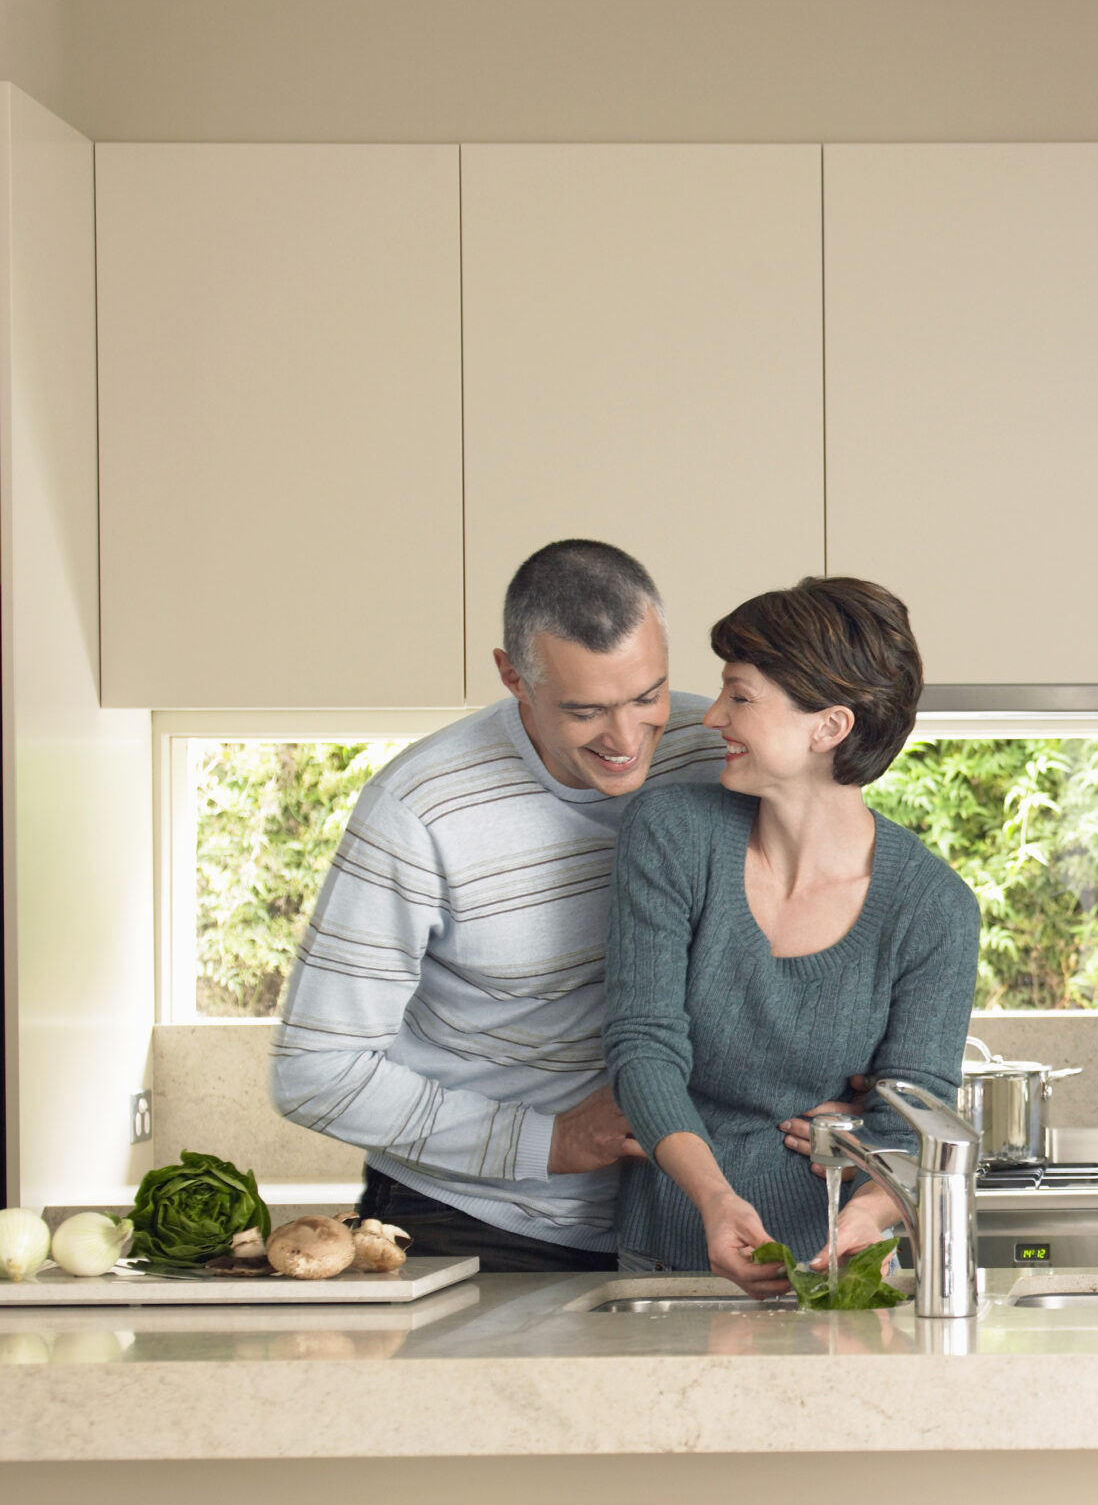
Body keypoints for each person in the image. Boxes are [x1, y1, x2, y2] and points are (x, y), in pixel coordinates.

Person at [270, 540, 727, 1270]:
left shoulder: (714, 753)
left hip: (686, 1224)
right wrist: (547, 1142)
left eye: (648, 696)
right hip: (474, 1224)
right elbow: (317, 1071)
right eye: (585, 710)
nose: (626, 738)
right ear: (513, 675)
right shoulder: (420, 809)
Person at [603, 576, 979, 1286]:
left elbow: (912, 1120)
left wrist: (867, 1218)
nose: (713, 716)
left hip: (834, 1273)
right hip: (665, 1259)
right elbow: (642, 1048)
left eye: (739, 696)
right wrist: (715, 1201)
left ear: (829, 727)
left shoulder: (934, 909)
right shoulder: (670, 836)